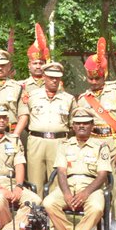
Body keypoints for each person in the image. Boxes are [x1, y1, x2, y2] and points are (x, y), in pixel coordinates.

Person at [78, 39, 116, 230]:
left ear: (105, 75)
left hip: (114, 143)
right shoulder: (83, 99)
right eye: (91, 79)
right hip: (93, 146)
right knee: (92, 185)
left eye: (98, 78)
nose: (94, 82)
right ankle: (93, 225)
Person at [43, 109, 112, 230]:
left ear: (92, 125)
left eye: (86, 123)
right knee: (48, 202)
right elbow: (61, 172)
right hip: (68, 184)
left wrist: (86, 193)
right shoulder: (64, 145)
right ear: (73, 126)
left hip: (91, 186)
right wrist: (67, 193)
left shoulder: (101, 146)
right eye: (78, 123)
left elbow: (102, 175)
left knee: (97, 208)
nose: (82, 126)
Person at [17, 62, 74, 190]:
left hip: (59, 142)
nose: (54, 80)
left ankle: (52, 209)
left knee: (57, 181)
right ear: (44, 76)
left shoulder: (68, 99)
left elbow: (72, 125)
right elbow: (25, 118)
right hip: (36, 141)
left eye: (57, 77)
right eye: (50, 77)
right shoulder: (32, 96)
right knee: (34, 182)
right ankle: (35, 209)